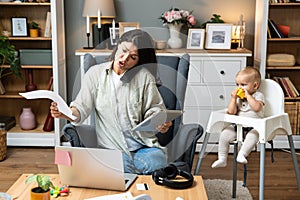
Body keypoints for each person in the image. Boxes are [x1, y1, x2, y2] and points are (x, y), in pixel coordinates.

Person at [50, 29, 172, 174]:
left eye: (132, 57)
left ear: (139, 61)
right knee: (122, 169)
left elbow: (155, 109)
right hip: (113, 148)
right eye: (124, 50)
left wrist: (161, 122)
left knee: (156, 162)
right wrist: (65, 113)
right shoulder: (95, 74)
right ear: (118, 45)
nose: (124, 58)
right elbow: (81, 108)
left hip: (144, 147)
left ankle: (131, 175)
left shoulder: (144, 77)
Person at [211, 67, 264, 168]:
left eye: (243, 85)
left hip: (253, 128)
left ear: (255, 85)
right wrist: (233, 99)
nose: (239, 88)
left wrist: (248, 96)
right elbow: (231, 112)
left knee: (253, 136)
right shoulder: (239, 98)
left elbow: (257, 108)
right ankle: (222, 158)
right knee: (224, 134)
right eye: (237, 85)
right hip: (238, 126)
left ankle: (242, 154)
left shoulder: (258, 95)